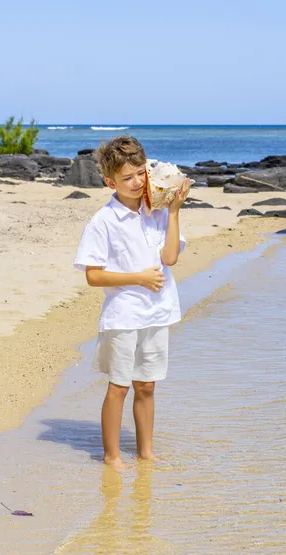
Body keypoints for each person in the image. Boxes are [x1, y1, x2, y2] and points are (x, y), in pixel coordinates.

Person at [74, 136, 190, 471]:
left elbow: (170, 257)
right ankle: (112, 457)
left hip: (157, 312)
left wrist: (173, 210)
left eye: (141, 173)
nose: (137, 182)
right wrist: (137, 278)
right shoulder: (104, 221)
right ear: (111, 182)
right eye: (127, 178)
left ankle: (146, 452)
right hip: (123, 315)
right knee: (119, 387)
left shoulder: (156, 212)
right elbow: (93, 276)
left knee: (147, 385)